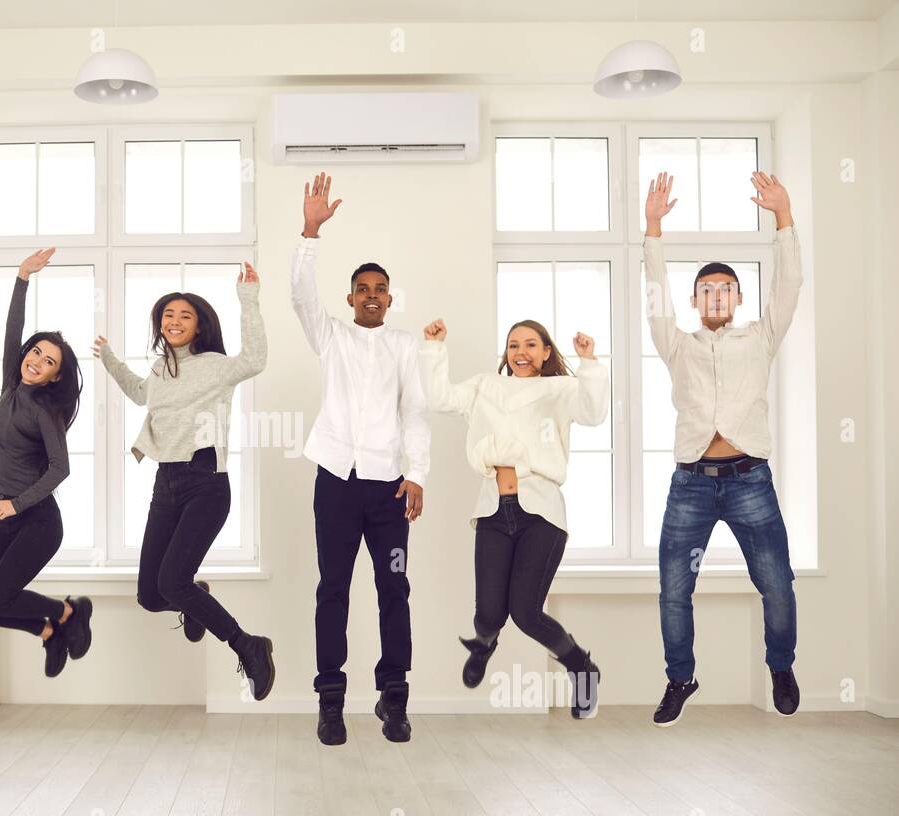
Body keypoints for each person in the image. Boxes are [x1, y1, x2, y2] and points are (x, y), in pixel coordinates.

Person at [644, 170, 803, 726]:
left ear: (736, 298)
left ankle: (780, 666)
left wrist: (783, 217)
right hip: (690, 484)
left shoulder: (760, 337)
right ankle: (680, 679)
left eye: (725, 289)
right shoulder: (677, 344)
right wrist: (653, 229)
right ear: (696, 300)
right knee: (672, 590)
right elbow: (655, 300)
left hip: (749, 481)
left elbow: (789, 287)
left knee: (776, 583)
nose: (715, 296)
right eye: (705, 289)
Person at [290, 172, 430, 746]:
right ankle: (330, 701)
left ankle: (393, 698)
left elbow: (416, 411)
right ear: (351, 298)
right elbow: (300, 295)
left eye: (380, 289)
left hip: (390, 490)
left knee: (394, 589)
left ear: (389, 298)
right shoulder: (331, 338)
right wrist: (310, 231)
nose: (371, 296)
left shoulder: (403, 345)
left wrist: (417, 475)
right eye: (362, 289)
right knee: (333, 590)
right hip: (337, 484)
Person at [94, 263, 275, 700]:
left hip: (205, 482)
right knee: (151, 596)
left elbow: (255, 360)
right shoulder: (159, 370)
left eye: (184, 316)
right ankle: (196, 593)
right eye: (168, 315)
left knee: (171, 582)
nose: (173, 321)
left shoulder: (213, 365)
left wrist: (248, 299)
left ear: (199, 327)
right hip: (166, 482)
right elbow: (141, 395)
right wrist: (111, 361)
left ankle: (248, 646)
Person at [419, 319, 609, 718]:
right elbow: (438, 399)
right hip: (493, 510)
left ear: (544, 352)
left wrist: (589, 362)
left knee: (525, 612)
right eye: (513, 345)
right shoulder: (485, 386)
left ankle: (581, 668)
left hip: (540, 513)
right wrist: (435, 348)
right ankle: (484, 643)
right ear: (506, 353)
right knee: (488, 614)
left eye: (530, 345)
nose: (521, 352)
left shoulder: (560, 389)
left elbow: (593, 413)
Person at [0, 248, 93, 678]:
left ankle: (69, 612)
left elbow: (61, 469)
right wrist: (22, 278)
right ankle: (48, 633)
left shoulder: (46, 411)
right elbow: (10, 332)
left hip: (36, 520)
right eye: (35, 352)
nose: (36, 362)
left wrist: (17, 504)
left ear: (57, 376)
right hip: (10, 516)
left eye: (48, 362)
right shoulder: (10, 386)